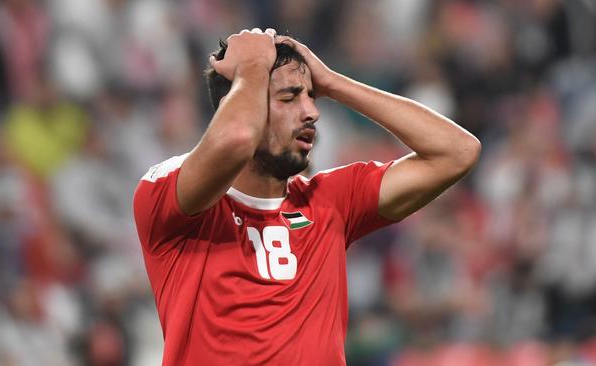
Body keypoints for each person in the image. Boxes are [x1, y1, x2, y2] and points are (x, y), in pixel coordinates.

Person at [133, 28, 481, 365]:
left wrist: (332, 82)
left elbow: (457, 151)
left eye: (311, 96)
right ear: (236, 104)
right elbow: (237, 139)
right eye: (289, 97)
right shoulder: (167, 194)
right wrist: (253, 66)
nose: (312, 112)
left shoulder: (329, 201)